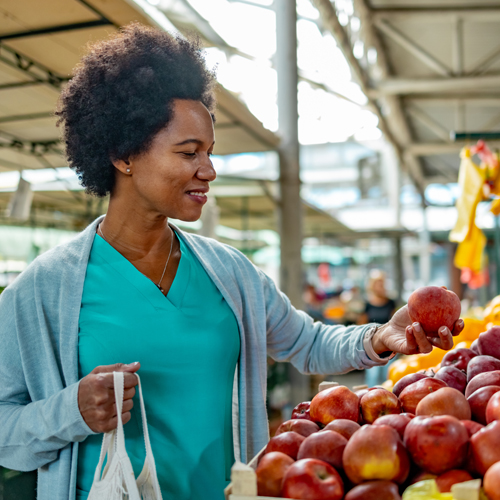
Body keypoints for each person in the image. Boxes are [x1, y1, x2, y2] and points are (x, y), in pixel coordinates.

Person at [0, 24, 463, 500]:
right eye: (189, 153)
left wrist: (379, 335)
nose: (210, 171)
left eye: (211, 152)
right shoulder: (41, 292)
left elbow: (307, 343)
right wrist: (70, 411)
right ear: (123, 155)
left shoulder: (229, 272)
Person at [359, 270, 398, 386]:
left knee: (389, 374)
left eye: (382, 282)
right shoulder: (367, 304)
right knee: (373, 375)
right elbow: (362, 324)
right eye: (378, 283)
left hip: (389, 344)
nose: (380, 285)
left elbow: (394, 322)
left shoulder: (390, 302)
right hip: (371, 345)